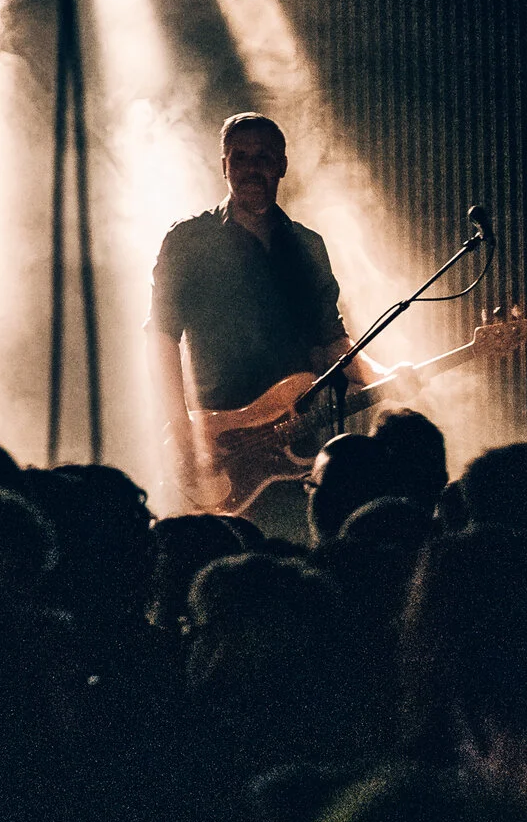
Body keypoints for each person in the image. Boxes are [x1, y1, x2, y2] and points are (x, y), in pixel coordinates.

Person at [149, 113, 376, 533]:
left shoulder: (307, 246)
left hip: (298, 451)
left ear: (282, 165)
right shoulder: (189, 240)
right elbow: (161, 338)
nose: (251, 168)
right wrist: (182, 432)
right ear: (224, 165)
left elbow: (332, 343)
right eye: (240, 157)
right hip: (219, 449)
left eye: (264, 157)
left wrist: (389, 376)